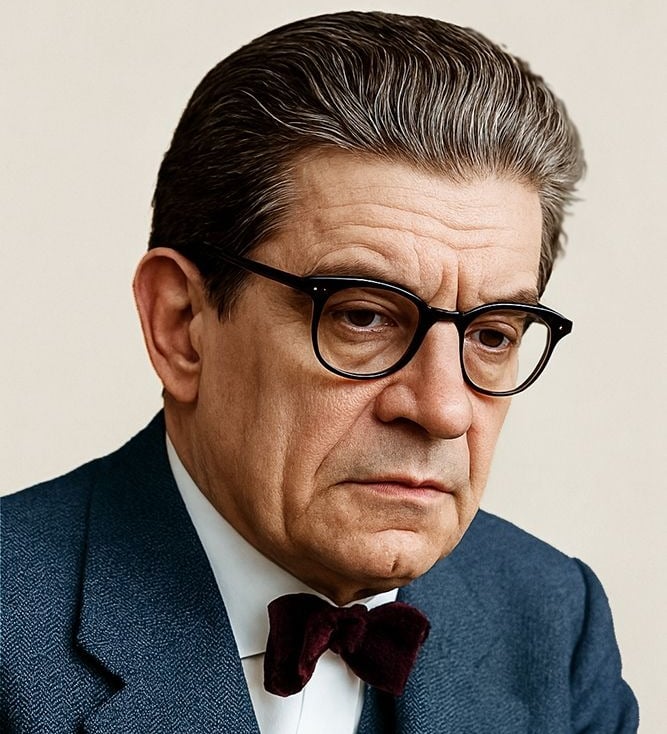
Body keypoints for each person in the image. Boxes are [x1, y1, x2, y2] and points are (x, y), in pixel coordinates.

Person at [1, 10, 638, 733]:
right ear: (181, 326)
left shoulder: (553, 618)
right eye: (362, 317)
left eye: (491, 334)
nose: (443, 410)